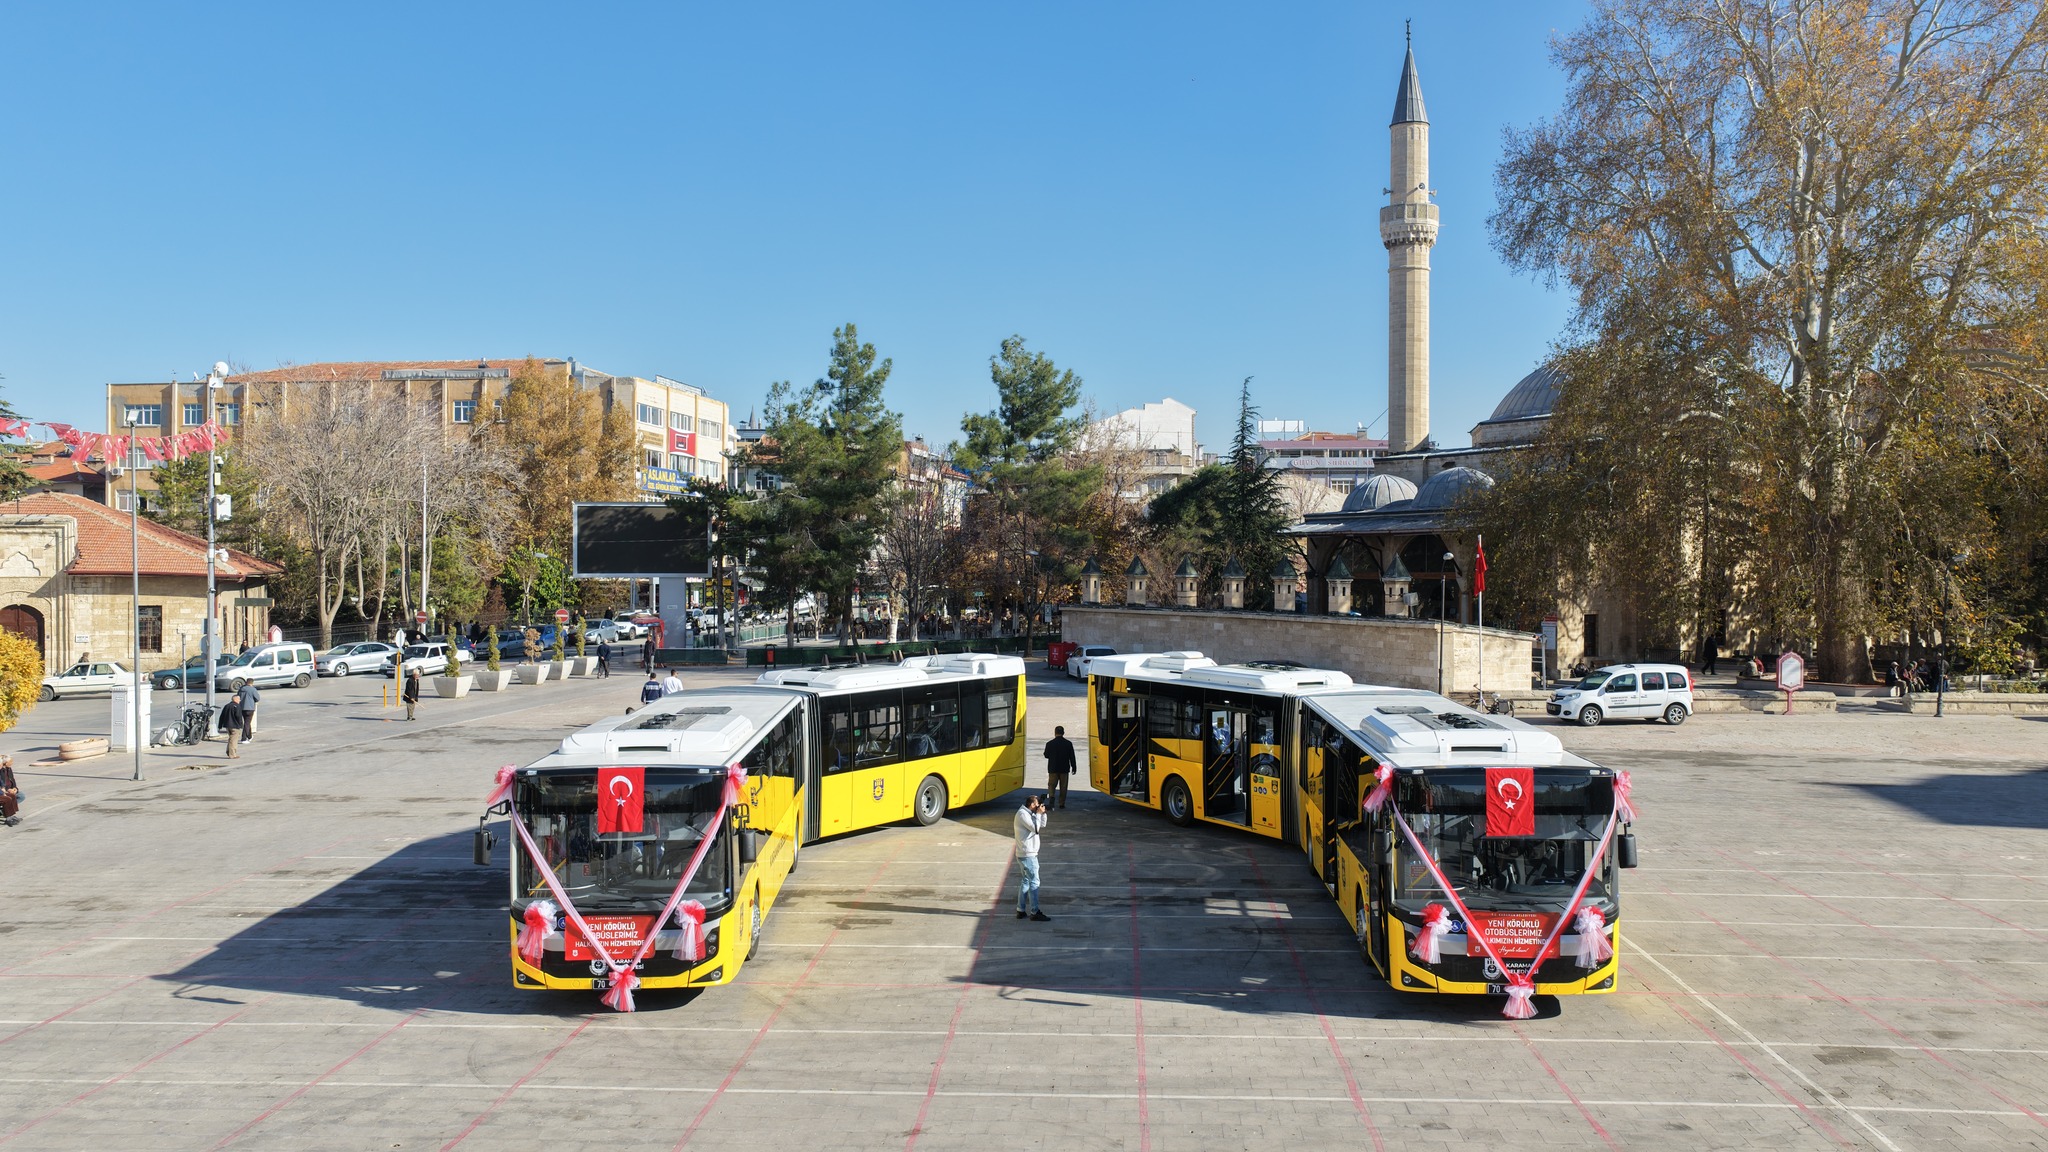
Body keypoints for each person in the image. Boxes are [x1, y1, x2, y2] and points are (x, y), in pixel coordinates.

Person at [1013, 794, 1049, 921]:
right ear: (1032, 804)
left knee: (1026, 881)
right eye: (1037, 804)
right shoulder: (1023, 814)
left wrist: (1043, 814)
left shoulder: (1028, 813)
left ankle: (1020, 910)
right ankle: (1034, 911)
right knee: (1034, 882)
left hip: (1026, 853)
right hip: (1028, 854)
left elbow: (1042, 825)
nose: (1038, 806)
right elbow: (1035, 829)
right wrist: (1038, 814)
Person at [1043, 725, 1077, 810]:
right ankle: (1061, 803)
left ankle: (1051, 798)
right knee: (1063, 787)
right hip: (1064, 769)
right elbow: (1072, 756)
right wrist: (1074, 767)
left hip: (1053, 768)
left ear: (1055, 733)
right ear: (1063, 733)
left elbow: (1046, 755)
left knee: (1051, 785)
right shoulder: (1068, 743)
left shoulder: (1049, 743)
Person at [1, 754, 21, 826]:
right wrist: (4, 792)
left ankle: (11, 815)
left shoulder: (8, 769)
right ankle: (8, 817)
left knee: (14, 796)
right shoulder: (1, 771)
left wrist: (15, 788)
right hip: (2, 792)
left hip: (5, 791)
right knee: (8, 799)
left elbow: (10, 780)